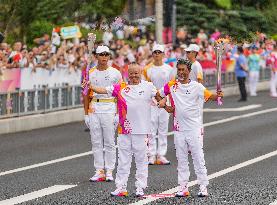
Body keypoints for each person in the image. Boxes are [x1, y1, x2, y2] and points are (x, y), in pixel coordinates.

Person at [157, 59, 223, 197]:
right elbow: (158, 94)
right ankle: (183, 187)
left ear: (189, 71)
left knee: (198, 158)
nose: (180, 72)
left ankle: (203, 186)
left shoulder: (197, 87)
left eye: (183, 70)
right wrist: (164, 104)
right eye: (179, 69)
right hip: (178, 129)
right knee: (181, 160)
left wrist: (218, 95)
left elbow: (210, 96)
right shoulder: (171, 85)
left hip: (194, 128)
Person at [90, 64, 158, 197]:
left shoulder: (148, 86)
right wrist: (90, 86)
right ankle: (121, 187)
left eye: (136, 73)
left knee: (141, 160)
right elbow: (103, 90)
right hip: (124, 130)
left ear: (141, 73)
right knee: (123, 161)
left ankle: (140, 187)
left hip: (141, 130)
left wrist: (163, 104)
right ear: (127, 74)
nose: (133, 76)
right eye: (131, 73)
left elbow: (159, 96)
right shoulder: (121, 87)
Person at [84, 45, 122, 182]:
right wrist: (86, 114)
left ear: (109, 56)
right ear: (96, 56)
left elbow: (120, 94)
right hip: (94, 106)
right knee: (96, 141)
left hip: (110, 106)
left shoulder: (116, 73)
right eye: (101, 54)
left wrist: (118, 113)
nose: (104, 57)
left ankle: (110, 170)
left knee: (109, 141)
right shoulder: (90, 72)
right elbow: (85, 94)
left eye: (106, 54)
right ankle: (99, 170)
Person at [143, 44, 174, 165]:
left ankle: (161, 154)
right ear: (152, 54)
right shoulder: (147, 69)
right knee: (151, 130)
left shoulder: (169, 69)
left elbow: (171, 86)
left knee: (162, 129)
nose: (157, 54)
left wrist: (165, 99)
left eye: (159, 52)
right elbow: (145, 86)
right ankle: (151, 155)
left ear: (163, 54)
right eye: (155, 52)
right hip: (151, 103)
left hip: (165, 103)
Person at [185, 44, 204, 148]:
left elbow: (200, 81)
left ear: (195, 53)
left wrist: (199, 94)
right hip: (188, 95)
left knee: (197, 120)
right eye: (186, 52)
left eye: (189, 52)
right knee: (188, 120)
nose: (187, 54)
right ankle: (190, 144)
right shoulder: (187, 64)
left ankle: (198, 143)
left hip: (196, 96)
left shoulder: (196, 65)